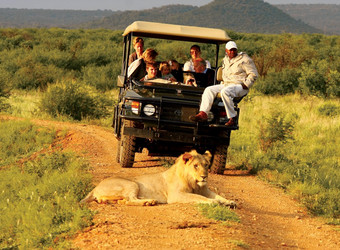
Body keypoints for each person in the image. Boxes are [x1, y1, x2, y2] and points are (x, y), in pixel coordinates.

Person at [189, 41, 258, 127]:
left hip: (239, 85)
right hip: (227, 84)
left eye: (234, 50)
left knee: (225, 91)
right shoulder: (225, 60)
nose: (232, 52)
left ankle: (232, 118)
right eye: (230, 50)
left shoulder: (245, 59)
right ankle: (203, 113)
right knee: (209, 89)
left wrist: (246, 84)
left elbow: (253, 74)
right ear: (226, 50)